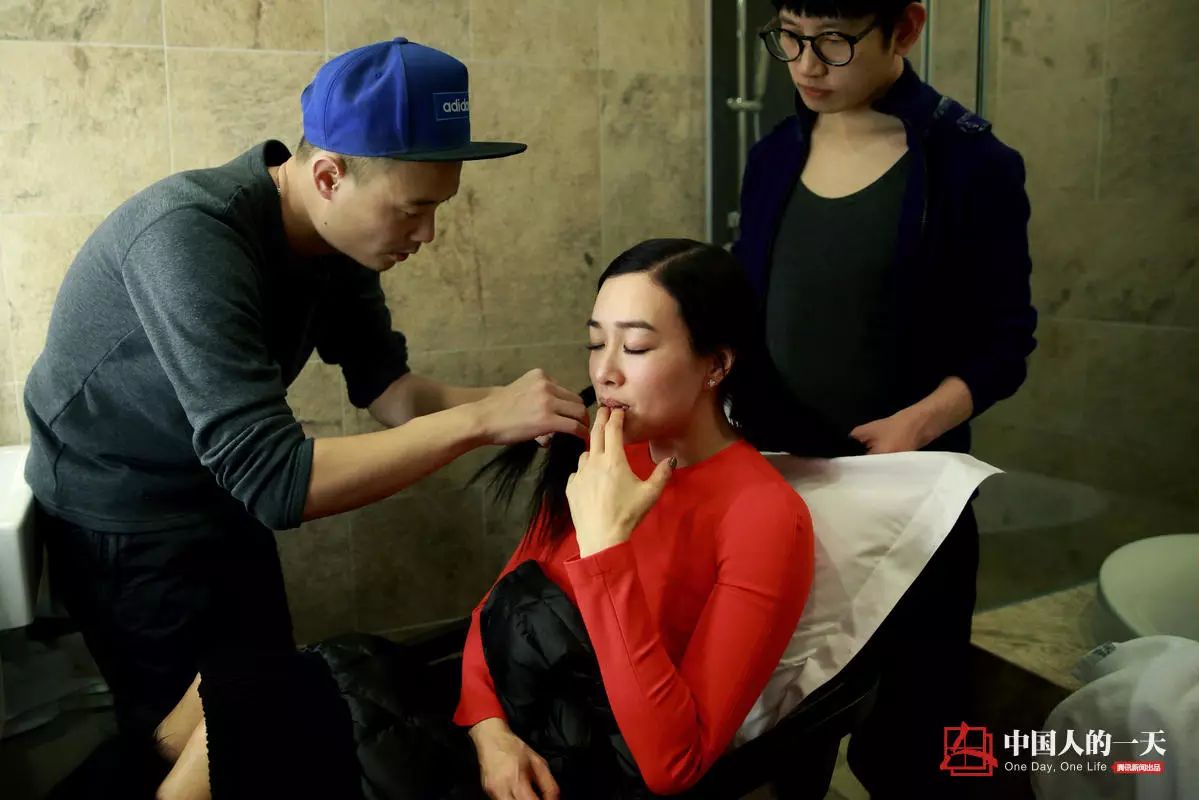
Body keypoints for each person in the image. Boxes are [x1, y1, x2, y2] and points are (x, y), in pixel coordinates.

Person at [119, 239, 862, 800]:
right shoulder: (598, 451)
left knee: (242, 725)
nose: (604, 370)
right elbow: (500, 605)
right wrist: (488, 730)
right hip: (490, 726)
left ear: (717, 364)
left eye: (635, 346)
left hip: (574, 770)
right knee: (218, 694)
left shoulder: (764, 517)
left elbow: (673, 765)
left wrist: (606, 551)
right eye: (596, 341)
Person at [24, 37, 590, 742]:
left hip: (222, 490)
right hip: (125, 514)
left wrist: (522, 408)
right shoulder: (189, 237)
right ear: (328, 176)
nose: (429, 234)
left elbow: (391, 393)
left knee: (266, 709)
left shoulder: (338, 244)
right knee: (189, 750)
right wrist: (480, 421)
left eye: (438, 207)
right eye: (411, 209)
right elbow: (277, 480)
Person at [733, 1, 1037, 796]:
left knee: (915, 742)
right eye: (789, 37)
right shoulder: (772, 155)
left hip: (909, 498)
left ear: (905, 27)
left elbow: (1007, 342)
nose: (805, 65)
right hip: (783, 494)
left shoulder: (971, 164)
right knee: (782, 734)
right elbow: (748, 314)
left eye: (834, 41)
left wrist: (921, 422)